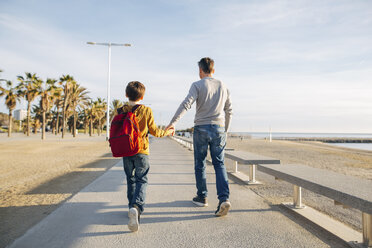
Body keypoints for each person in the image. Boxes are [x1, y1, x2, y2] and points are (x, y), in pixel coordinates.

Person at [167, 57, 233, 217]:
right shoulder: (223, 85)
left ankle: (202, 196)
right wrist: (225, 130)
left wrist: (173, 123)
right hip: (219, 128)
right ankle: (224, 198)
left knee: (200, 164)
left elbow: (186, 104)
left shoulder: (197, 85)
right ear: (213, 70)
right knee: (219, 164)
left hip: (201, 128)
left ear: (200, 70)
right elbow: (229, 110)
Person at [121, 81, 173, 232]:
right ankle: (137, 207)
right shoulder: (146, 110)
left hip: (125, 151)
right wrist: (168, 132)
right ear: (142, 97)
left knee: (130, 180)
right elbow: (155, 131)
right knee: (141, 179)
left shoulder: (120, 110)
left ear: (126, 95)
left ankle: (131, 207)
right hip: (141, 150)